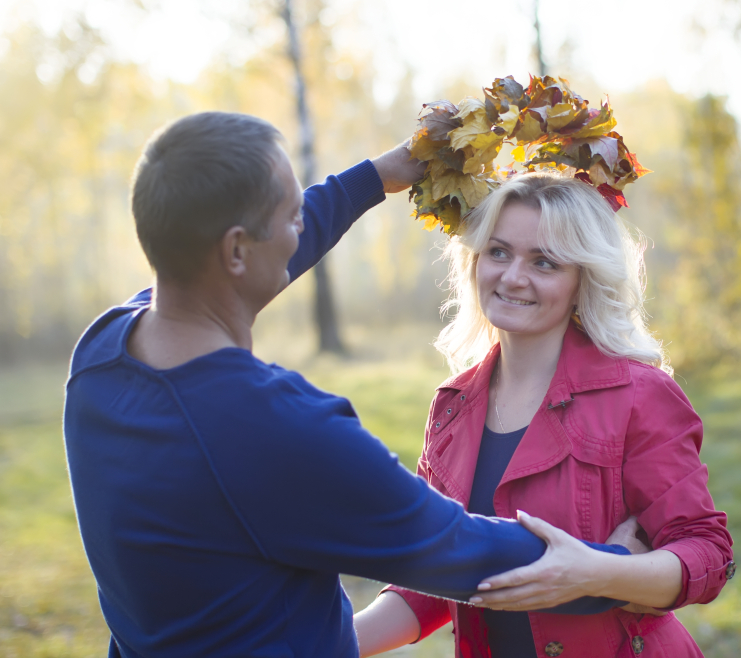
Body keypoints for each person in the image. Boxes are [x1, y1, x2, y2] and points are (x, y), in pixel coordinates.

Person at [62, 112, 642, 658]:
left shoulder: (103, 352)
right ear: (237, 250)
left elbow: (236, 256)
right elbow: (450, 545)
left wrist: (376, 178)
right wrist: (613, 569)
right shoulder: (278, 430)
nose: (300, 227)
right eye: (291, 215)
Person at [353, 172, 736, 658]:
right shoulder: (452, 407)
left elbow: (707, 554)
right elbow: (432, 571)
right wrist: (321, 643)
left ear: (582, 279)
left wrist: (601, 571)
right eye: (498, 252)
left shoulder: (639, 395)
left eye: (544, 262)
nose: (513, 276)